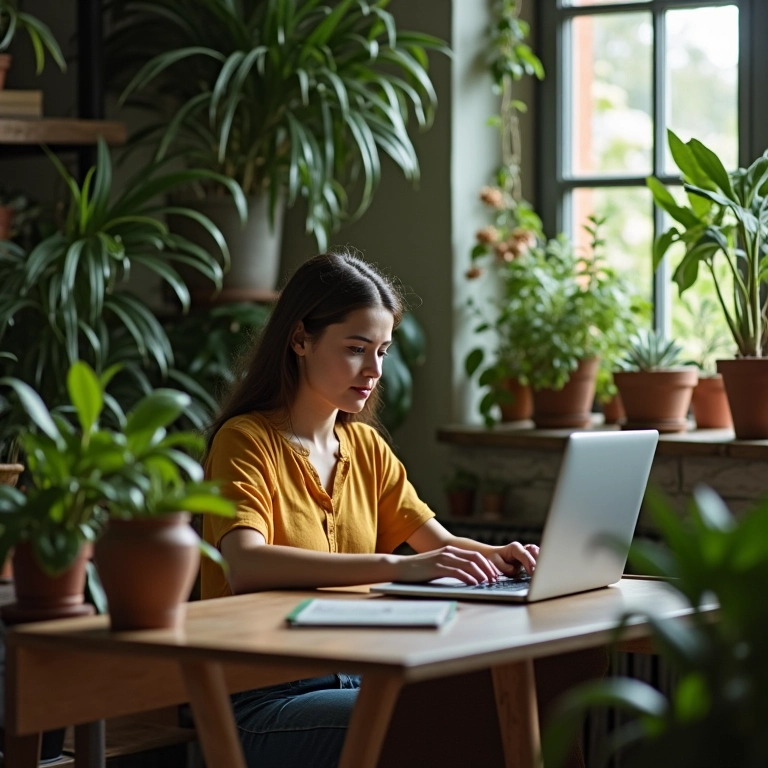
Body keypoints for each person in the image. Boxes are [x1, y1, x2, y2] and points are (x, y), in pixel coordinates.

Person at [201, 249, 602, 768]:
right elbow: (245, 563)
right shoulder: (245, 440)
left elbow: (440, 545)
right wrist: (398, 567)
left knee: (533, 710)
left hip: (363, 676)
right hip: (268, 701)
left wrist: (501, 556)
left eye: (383, 351)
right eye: (356, 349)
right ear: (300, 339)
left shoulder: (365, 448)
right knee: (474, 724)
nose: (374, 370)